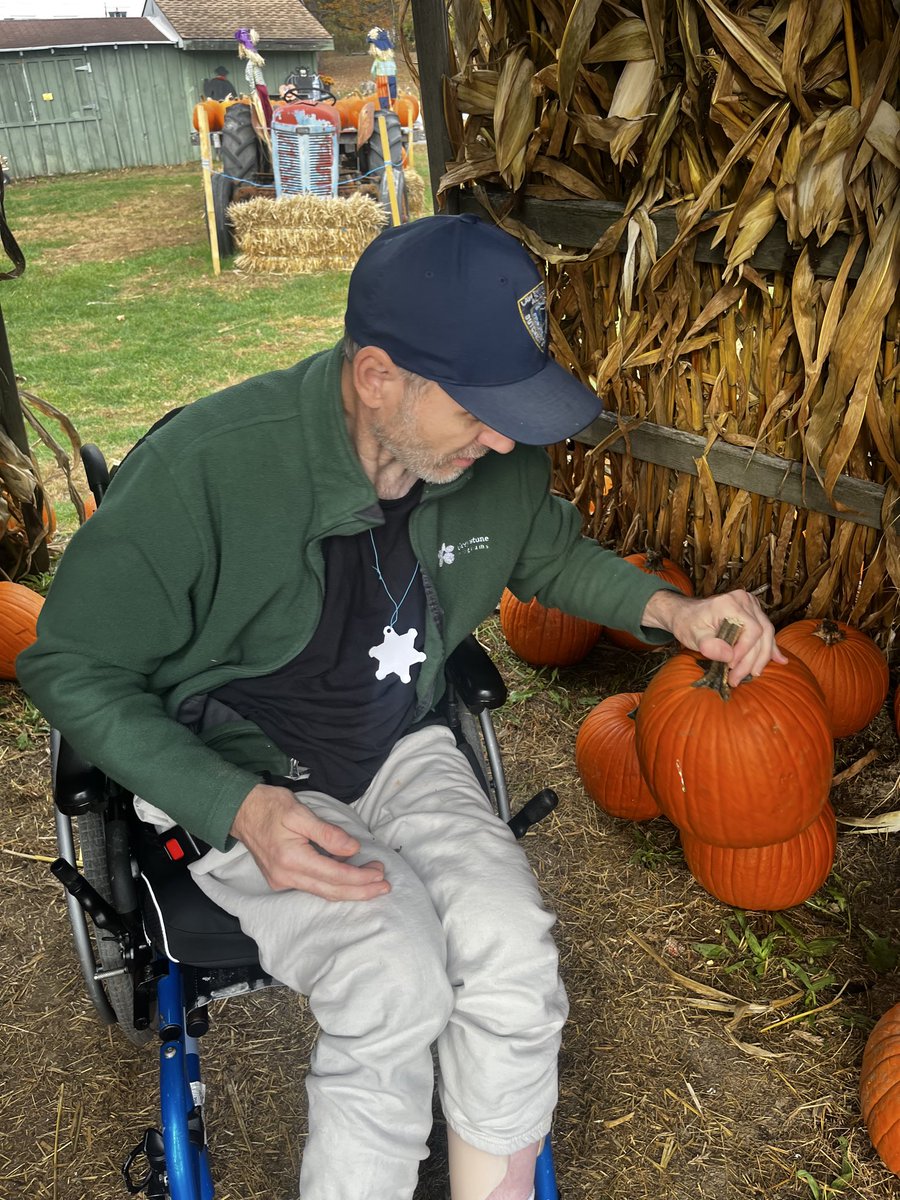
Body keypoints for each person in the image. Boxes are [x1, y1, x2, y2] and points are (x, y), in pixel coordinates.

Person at [18, 214, 786, 1200]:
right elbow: (69, 665)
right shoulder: (205, 474)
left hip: (400, 740)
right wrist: (235, 805)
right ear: (378, 377)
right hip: (238, 765)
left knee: (513, 957)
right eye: (479, 406)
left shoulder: (488, 459)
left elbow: (546, 553)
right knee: (396, 975)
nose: (507, 436)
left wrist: (676, 610)